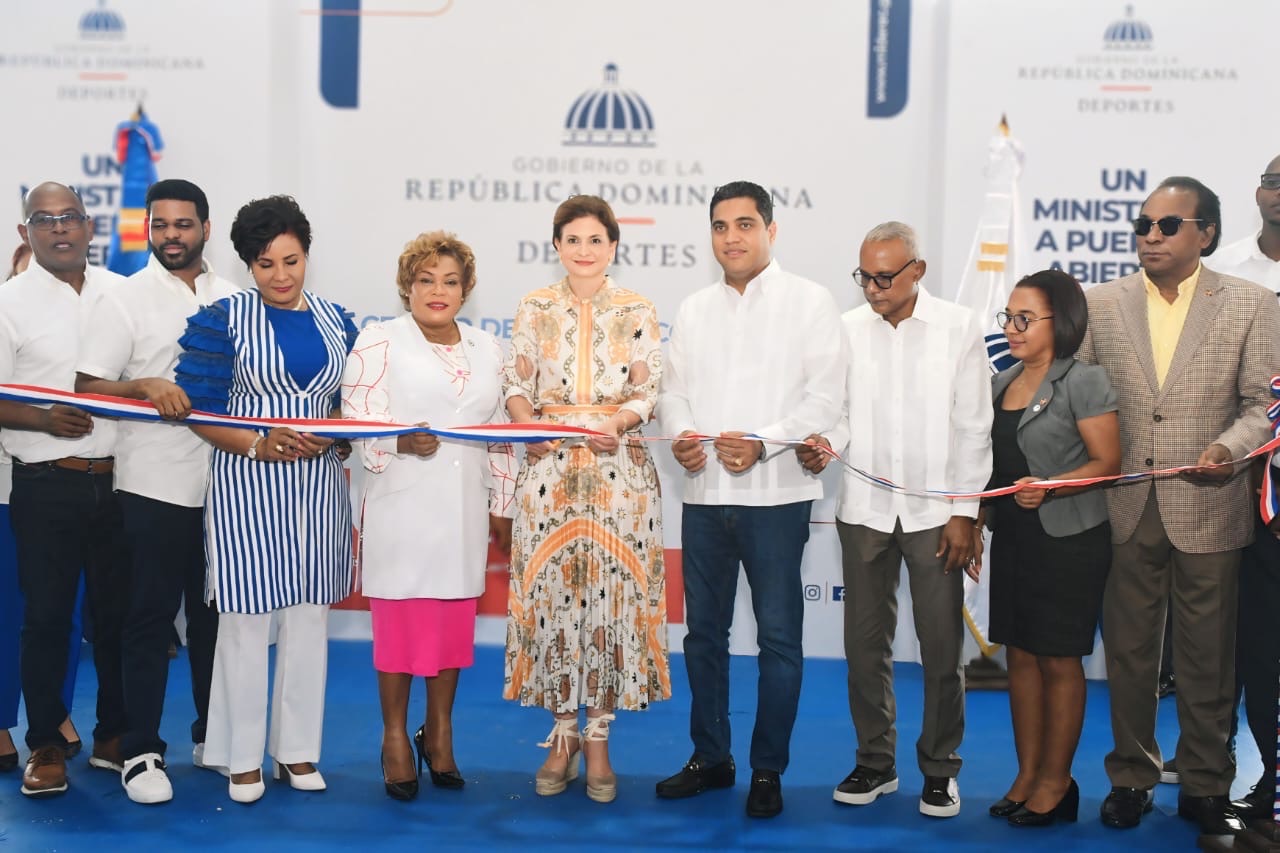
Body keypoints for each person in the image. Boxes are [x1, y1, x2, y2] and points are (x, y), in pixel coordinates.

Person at [1078, 176, 1280, 836]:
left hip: (1213, 505)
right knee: (1129, 653)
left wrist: (1229, 448)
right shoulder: (1101, 303)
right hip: (1125, 504)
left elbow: (1263, 406)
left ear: (1207, 233)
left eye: (1168, 225)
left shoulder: (1252, 303)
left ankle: (1205, 780)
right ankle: (1130, 778)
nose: (1151, 236)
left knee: (1208, 656)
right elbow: (1083, 400)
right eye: (1143, 225)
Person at [655, 180, 846, 818]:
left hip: (779, 496)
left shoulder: (811, 302)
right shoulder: (694, 309)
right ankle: (711, 757)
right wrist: (684, 437)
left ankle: (768, 769)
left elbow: (824, 400)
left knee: (780, 640)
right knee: (703, 637)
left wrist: (764, 443)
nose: (731, 237)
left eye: (744, 224)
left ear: (771, 229)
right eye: (720, 226)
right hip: (705, 495)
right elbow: (673, 392)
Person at [795, 222, 991, 818]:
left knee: (941, 647)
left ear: (918, 271)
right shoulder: (846, 329)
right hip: (863, 510)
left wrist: (964, 512)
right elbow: (837, 412)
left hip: (937, 513)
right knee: (864, 647)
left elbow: (974, 428)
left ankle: (940, 768)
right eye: (865, 277)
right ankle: (875, 763)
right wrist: (824, 443)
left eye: (885, 277)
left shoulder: (958, 327)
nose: (874, 289)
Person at [174, 194, 356, 804]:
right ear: (248, 265)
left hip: (319, 492)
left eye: (291, 260)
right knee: (245, 624)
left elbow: (353, 406)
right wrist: (258, 442)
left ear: (308, 256)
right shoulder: (222, 320)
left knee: (308, 620)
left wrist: (334, 432)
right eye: (265, 264)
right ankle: (240, 756)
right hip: (245, 488)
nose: (280, 275)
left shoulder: (339, 322)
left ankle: (297, 751)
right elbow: (199, 411)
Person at [75, 179, 239, 803]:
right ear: (148, 228)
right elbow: (87, 387)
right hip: (151, 485)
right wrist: (143, 385)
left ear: (205, 228)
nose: (171, 235)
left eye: (183, 224)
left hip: (229, 487)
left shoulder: (235, 297)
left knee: (216, 621)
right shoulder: (124, 299)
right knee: (146, 620)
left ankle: (212, 738)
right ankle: (141, 750)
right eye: (160, 224)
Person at [502, 195, 669, 805]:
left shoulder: (638, 309)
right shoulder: (533, 306)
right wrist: (529, 427)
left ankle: (598, 737)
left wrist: (618, 422)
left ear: (613, 245)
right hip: (549, 474)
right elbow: (516, 383)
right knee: (553, 600)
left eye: (595, 239)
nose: (584, 250)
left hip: (618, 475)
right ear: (557, 246)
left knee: (608, 605)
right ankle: (562, 736)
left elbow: (649, 388)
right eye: (572, 239)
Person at [341, 231, 515, 801]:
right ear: (407, 286)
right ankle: (394, 736)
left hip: (463, 509)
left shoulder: (489, 349)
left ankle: (438, 731)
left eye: (450, 281)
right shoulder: (379, 341)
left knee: (450, 628)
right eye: (425, 280)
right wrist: (399, 441)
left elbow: (501, 434)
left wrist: (504, 504)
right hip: (400, 505)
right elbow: (356, 419)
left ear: (466, 291)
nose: (438, 290)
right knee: (398, 628)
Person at [0, 183, 129, 798]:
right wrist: (42, 419)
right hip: (45, 483)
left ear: (89, 226)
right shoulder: (9, 302)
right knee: (48, 620)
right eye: (44, 219)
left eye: (70, 217)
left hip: (120, 481)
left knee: (118, 618)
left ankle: (115, 736)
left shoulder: (121, 293)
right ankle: (46, 742)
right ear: (25, 232)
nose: (59, 228)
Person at [979, 270, 1120, 827]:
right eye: (1007, 317)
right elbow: (993, 469)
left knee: (1059, 660)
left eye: (1024, 319)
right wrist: (978, 519)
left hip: (1068, 541)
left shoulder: (1083, 380)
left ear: (1059, 322)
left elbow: (1107, 463)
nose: (1011, 328)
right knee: (1019, 657)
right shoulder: (1001, 382)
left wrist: (1053, 485)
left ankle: (1057, 782)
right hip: (1014, 538)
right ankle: (1027, 774)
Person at [1205, 156, 1280, 821]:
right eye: (1275, 182)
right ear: (1258, 192)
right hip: (1241, 488)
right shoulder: (1223, 270)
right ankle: (1246, 772)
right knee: (1249, 644)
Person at [0, 243, 85, 776]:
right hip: (10, 484)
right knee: (13, 614)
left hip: (57, 482)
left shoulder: (95, 305)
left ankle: (56, 714)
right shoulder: (8, 308)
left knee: (62, 612)